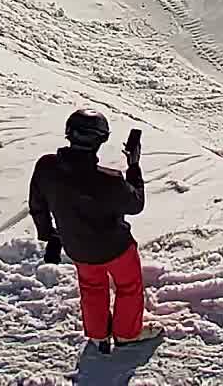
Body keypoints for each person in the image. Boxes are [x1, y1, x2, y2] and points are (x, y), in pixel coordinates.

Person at [30, 109, 158, 352]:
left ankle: (99, 335)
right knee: (128, 287)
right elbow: (136, 204)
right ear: (101, 140)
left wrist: (50, 235)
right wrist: (134, 167)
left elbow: (37, 205)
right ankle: (126, 333)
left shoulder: (46, 167)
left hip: (77, 247)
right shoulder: (109, 179)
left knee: (92, 288)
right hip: (116, 247)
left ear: (69, 133)